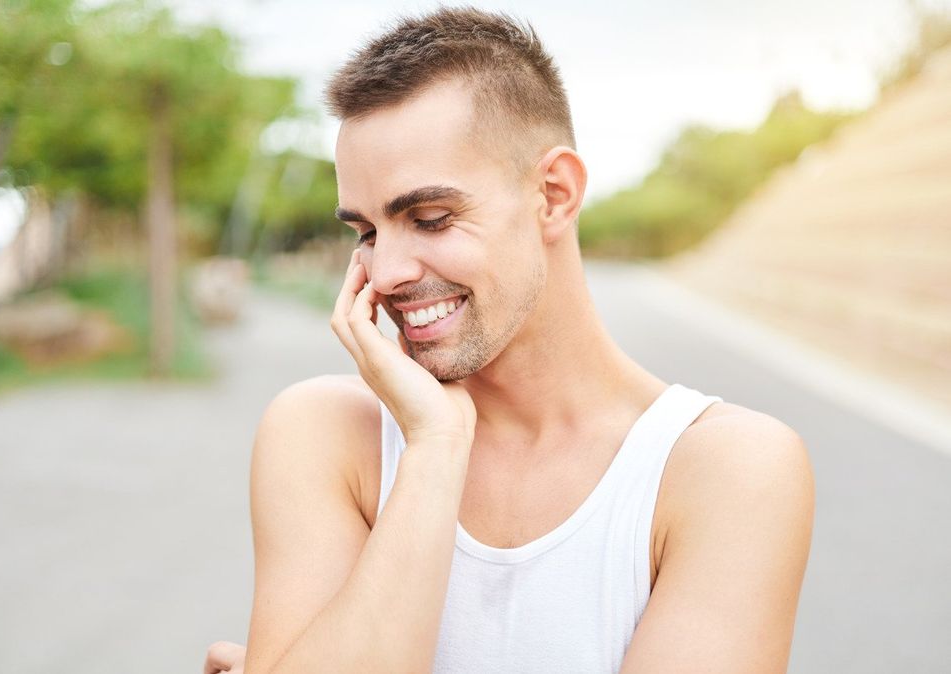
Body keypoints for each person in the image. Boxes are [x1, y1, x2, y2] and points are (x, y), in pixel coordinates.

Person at [204, 7, 815, 673]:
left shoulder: (726, 470)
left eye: (430, 219)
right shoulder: (326, 433)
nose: (385, 273)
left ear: (553, 195)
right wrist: (436, 449)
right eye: (368, 232)